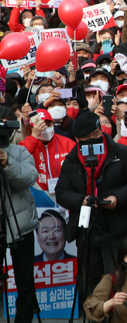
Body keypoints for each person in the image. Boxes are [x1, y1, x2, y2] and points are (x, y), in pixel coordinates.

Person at [55, 112, 127, 300]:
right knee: (89, 279)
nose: (92, 141)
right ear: (77, 139)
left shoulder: (121, 153)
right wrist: (82, 200)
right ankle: (94, 315)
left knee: (117, 278)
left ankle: (118, 316)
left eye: (96, 134)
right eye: (86, 138)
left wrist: (117, 198)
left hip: (116, 228)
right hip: (86, 231)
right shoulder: (72, 159)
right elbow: (61, 193)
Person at [0, 105, 40, 323]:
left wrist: (7, 162)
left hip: (20, 225)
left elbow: (27, 178)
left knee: (25, 284)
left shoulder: (20, 151)